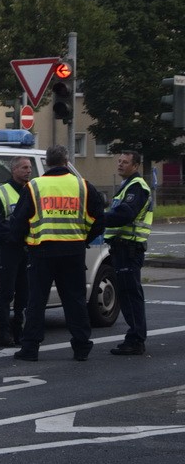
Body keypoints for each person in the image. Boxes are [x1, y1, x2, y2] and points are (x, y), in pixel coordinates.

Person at [10, 145, 105, 361]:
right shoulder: (83, 186)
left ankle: (30, 348)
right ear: (66, 161)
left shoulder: (34, 187)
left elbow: (18, 223)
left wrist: (24, 242)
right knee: (75, 300)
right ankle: (81, 347)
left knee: (36, 301)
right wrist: (83, 238)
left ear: (47, 163)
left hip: (41, 252)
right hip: (73, 252)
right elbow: (99, 220)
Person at [104, 150, 152, 356]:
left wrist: (101, 218)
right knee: (128, 293)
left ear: (136, 165)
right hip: (122, 248)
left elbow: (125, 214)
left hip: (129, 249)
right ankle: (134, 337)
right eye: (119, 161)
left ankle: (136, 339)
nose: (120, 165)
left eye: (125, 162)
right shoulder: (127, 186)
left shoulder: (136, 187)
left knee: (131, 295)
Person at [0, 156, 33, 347]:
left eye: (30, 167)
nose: (28, 171)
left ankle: (18, 330)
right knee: (6, 293)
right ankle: (3, 333)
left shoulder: (32, 191)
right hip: (9, 249)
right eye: (24, 167)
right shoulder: (1, 192)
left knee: (24, 293)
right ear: (14, 170)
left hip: (28, 248)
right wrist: (15, 237)